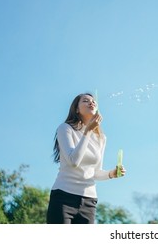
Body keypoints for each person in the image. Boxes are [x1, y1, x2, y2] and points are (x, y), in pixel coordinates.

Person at [47, 93, 126, 224]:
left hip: (89, 202)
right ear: (76, 109)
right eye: (85, 101)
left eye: (94, 101)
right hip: (63, 197)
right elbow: (73, 161)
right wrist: (88, 131)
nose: (91, 102)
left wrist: (111, 174)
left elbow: (95, 172)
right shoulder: (65, 128)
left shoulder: (101, 138)